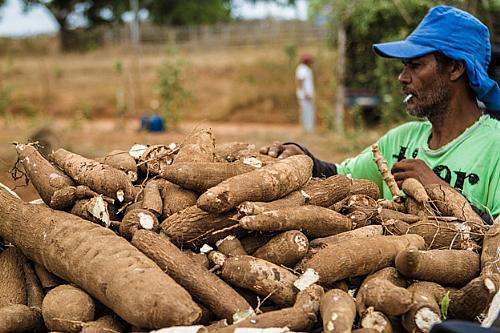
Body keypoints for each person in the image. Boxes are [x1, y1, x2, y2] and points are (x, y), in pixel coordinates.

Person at [261, 5, 500, 223]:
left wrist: (437, 188)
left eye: (415, 66)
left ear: (456, 68)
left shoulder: (494, 146)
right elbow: (340, 176)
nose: (403, 77)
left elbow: (495, 239)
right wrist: (303, 157)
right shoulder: (400, 140)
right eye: (404, 66)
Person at [296, 54, 316, 133]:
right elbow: (300, 81)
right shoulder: (302, 69)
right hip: (305, 95)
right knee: (307, 112)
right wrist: (306, 93)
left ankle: (308, 128)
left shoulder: (304, 69)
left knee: (308, 111)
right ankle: (307, 129)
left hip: (306, 95)